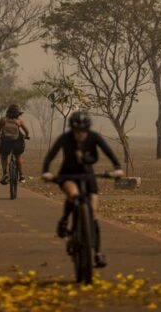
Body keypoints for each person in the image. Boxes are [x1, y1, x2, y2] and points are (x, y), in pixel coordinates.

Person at [41, 110, 124, 269]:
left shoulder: (94, 137)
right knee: (74, 194)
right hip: (68, 175)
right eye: (77, 131)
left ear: (88, 129)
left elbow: (108, 152)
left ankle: (98, 252)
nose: (80, 134)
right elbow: (51, 155)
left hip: (88, 176)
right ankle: (65, 220)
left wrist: (118, 168)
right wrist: (46, 171)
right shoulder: (65, 139)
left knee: (93, 214)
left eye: (83, 131)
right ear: (72, 129)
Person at [0, 103, 30, 185]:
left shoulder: (3, 120)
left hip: (5, 142)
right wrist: (27, 136)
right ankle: (21, 175)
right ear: (18, 113)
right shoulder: (19, 121)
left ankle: (5, 174)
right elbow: (27, 131)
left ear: (8, 112)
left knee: (4, 157)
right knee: (18, 156)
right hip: (17, 142)